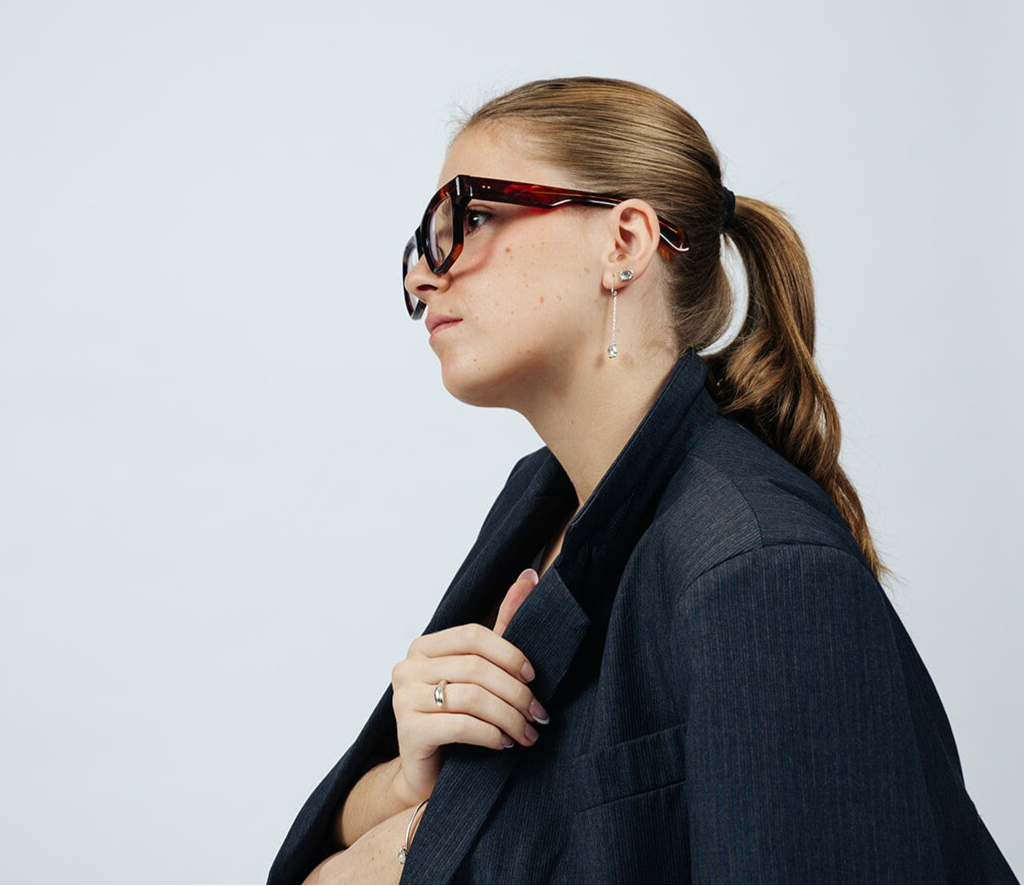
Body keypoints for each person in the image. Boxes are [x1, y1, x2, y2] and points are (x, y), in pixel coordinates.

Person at [268, 77, 1019, 885]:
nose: (423, 276)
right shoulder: (539, 501)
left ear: (623, 242)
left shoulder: (760, 570)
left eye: (472, 217)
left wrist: (409, 849)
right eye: (426, 241)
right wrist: (407, 780)